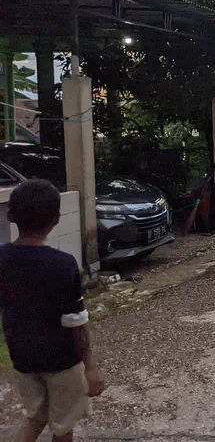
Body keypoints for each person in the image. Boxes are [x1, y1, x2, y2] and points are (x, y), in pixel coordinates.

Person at [0, 180, 105, 442]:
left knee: (36, 417)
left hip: (22, 357)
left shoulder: (2, 259)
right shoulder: (63, 265)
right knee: (63, 426)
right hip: (61, 361)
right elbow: (75, 322)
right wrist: (90, 368)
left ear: (11, 216)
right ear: (56, 220)